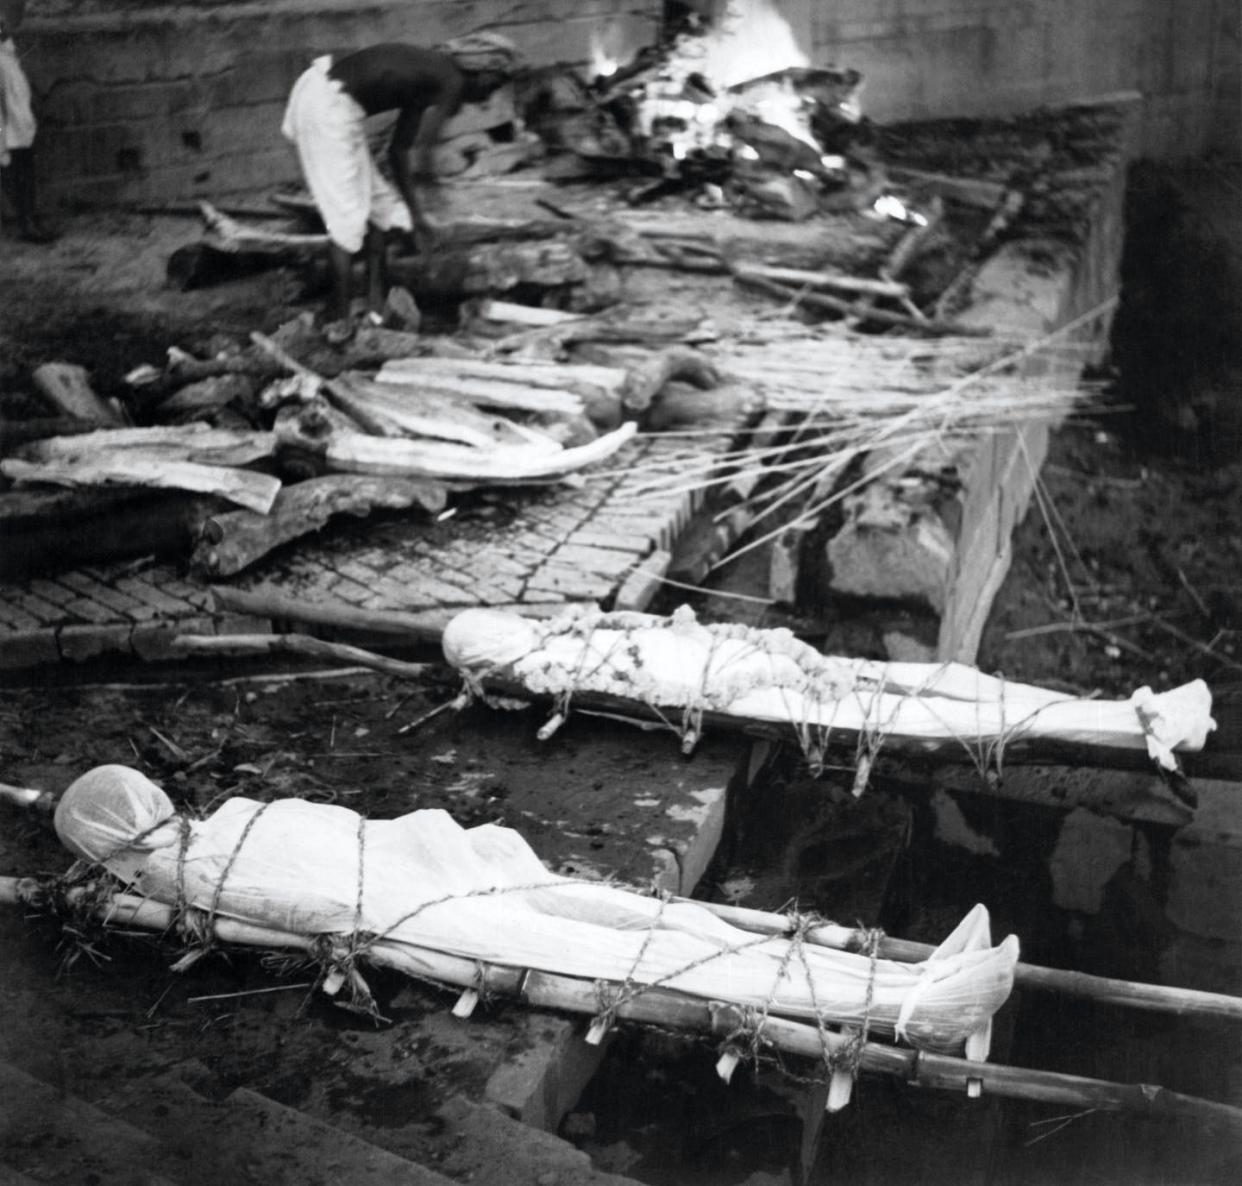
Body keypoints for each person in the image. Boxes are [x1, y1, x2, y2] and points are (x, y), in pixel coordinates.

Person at [281, 34, 520, 339]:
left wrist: (417, 216)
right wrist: (432, 208)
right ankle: (337, 320)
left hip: (336, 110)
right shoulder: (451, 80)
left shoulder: (431, 78)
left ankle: (376, 310)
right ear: (483, 71)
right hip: (325, 109)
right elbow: (425, 156)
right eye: (493, 85)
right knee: (346, 222)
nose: (488, 97)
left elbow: (399, 151)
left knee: (381, 209)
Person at [0, 0, 55, 243]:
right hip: (7, 127)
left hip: (18, 124)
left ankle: (29, 218)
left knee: (24, 167)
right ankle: (25, 222)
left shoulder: (8, 52)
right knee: (14, 170)